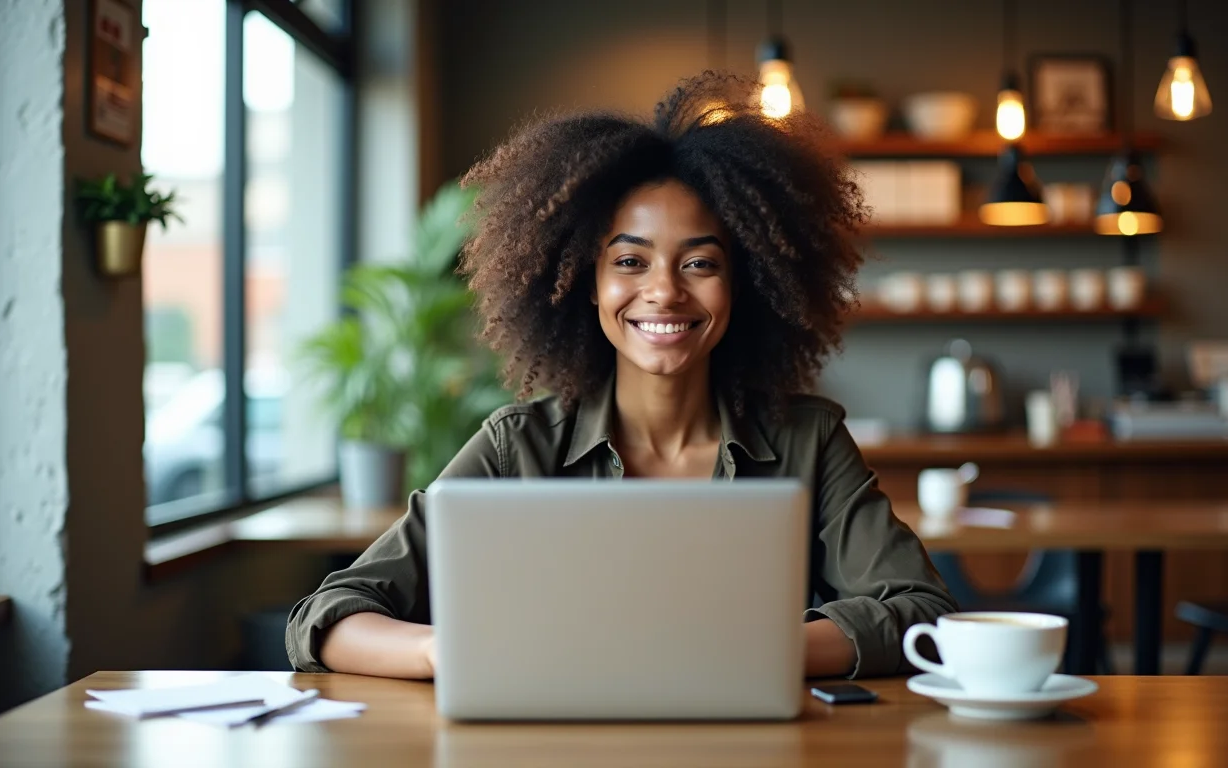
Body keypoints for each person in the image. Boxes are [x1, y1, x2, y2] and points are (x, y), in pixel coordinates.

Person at [286, 72, 956, 680]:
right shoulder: (517, 446)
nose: (664, 293)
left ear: (746, 284)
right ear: (584, 281)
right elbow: (330, 615)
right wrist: (445, 650)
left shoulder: (806, 441)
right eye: (630, 263)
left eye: (699, 264)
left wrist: (757, 651)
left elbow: (921, 612)